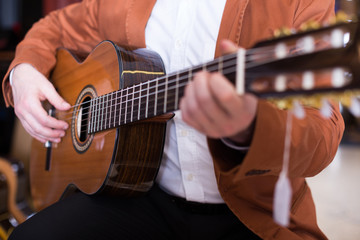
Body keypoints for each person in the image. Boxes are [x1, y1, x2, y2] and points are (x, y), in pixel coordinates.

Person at [1, 0, 344, 239]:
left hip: (254, 214)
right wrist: (23, 71)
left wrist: (250, 128)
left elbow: (322, 135)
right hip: (142, 197)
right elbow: (54, 27)